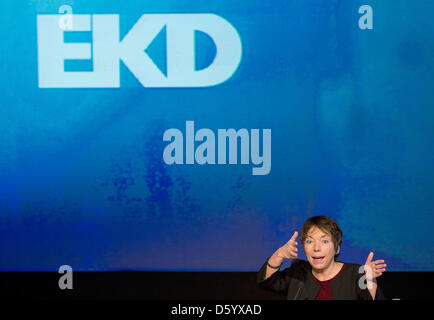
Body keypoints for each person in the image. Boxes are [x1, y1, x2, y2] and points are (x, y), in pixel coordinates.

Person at [258, 215, 387, 300]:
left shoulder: (357, 273)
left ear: (337, 248)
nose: (316, 248)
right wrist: (280, 253)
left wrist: (370, 282)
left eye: (324, 241)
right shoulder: (298, 274)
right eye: (309, 241)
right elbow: (266, 281)